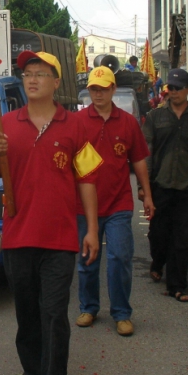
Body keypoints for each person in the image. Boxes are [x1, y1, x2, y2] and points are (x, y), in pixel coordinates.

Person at [0, 51, 103, 375]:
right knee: (27, 314)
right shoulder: (6, 123)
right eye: (27, 73)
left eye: (40, 73)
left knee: (54, 316)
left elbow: (87, 179)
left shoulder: (76, 126)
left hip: (59, 239)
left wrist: (92, 229)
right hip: (18, 236)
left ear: (56, 81)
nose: (32, 79)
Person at [75, 66, 155, 336]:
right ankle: (88, 307)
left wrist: (146, 194)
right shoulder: (78, 122)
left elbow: (139, 160)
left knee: (120, 257)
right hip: (84, 205)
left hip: (119, 203)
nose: (98, 94)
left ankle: (121, 313)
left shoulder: (128, 122)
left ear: (113, 89)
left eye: (103, 89)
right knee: (87, 259)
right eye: (93, 89)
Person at [141, 69, 188, 302]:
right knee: (158, 233)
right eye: (170, 88)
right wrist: (144, 188)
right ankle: (158, 261)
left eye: (178, 88)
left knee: (182, 238)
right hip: (161, 185)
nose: (173, 92)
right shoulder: (155, 117)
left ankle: (177, 286)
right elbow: (147, 154)